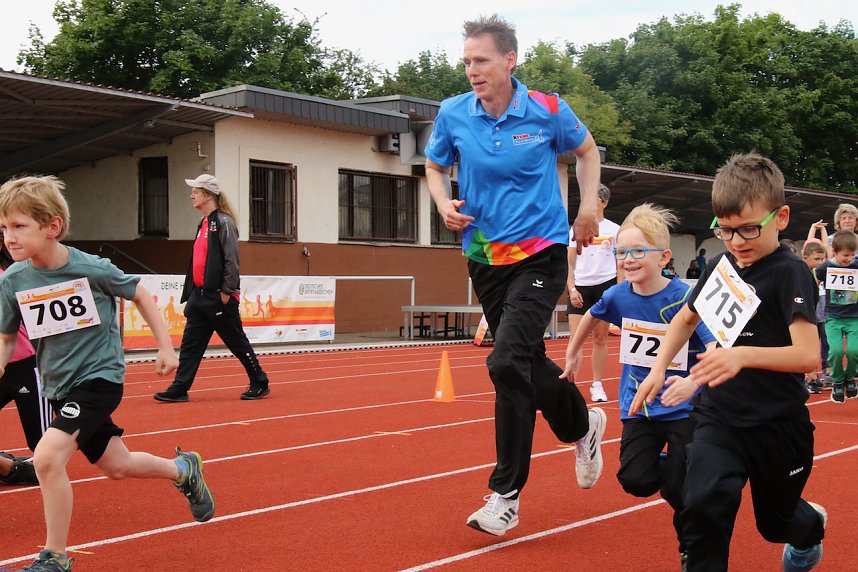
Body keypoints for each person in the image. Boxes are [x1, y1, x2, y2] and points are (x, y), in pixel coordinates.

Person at [424, 14, 606, 537]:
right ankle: (582, 425)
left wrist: (588, 204)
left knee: (505, 361)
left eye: (481, 61)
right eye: (465, 62)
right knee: (525, 360)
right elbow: (435, 166)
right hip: (483, 255)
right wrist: (442, 203)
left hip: (541, 253)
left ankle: (505, 495)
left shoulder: (548, 110)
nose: (471, 71)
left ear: (509, 60)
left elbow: (588, 150)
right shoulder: (454, 113)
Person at [0, 176, 214, 572]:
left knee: (46, 458)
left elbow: (141, 294)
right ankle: (183, 470)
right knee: (118, 466)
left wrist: (166, 348)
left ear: (52, 227)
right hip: (58, 386)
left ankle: (55, 558)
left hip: (100, 379)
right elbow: (7, 336)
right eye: (4, 228)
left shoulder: (90, 268)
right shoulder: (14, 280)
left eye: (19, 226)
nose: (9, 237)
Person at [629, 153, 826, 571]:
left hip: (778, 425)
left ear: (782, 217)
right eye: (726, 231)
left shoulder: (791, 274)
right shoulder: (721, 266)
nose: (737, 242)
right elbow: (685, 319)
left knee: (776, 524)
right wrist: (660, 368)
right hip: (720, 418)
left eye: (749, 229)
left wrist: (740, 356)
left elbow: (808, 355)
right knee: (701, 505)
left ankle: (808, 529)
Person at [561, 204, 715, 568]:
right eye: (621, 252)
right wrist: (572, 353)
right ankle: (674, 465)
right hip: (638, 406)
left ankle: (690, 544)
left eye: (636, 252)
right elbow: (590, 315)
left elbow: (712, 343)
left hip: (684, 408)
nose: (627, 260)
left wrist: (698, 375)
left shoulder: (684, 299)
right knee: (635, 480)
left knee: (680, 489)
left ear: (663, 257)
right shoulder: (618, 296)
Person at [154, 174, 270, 402]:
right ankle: (180, 387)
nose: (191, 195)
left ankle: (259, 381)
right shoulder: (204, 223)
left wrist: (226, 292)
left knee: (236, 342)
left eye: (195, 191)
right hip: (199, 296)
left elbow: (231, 260)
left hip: (218, 297)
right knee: (190, 345)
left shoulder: (224, 223)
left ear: (207, 195)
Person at [567, 183, 622, 403]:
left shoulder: (614, 230)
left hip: (605, 286)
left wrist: (619, 291)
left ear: (604, 202)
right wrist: (571, 288)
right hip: (580, 286)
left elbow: (620, 263)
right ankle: (570, 384)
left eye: (592, 199)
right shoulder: (575, 229)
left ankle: (597, 385)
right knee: (575, 340)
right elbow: (569, 263)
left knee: (600, 338)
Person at [0, 242, 48, 486]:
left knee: (43, 446)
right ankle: (9, 467)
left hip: (25, 367)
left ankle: (21, 469)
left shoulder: (10, 279)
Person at [813, 230, 858, 404]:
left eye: (852, 255)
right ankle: (838, 380)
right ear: (834, 251)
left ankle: (850, 377)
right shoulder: (826, 268)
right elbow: (813, 282)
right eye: (845, 255)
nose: (849, 259)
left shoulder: (856, 264)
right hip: (833, 317)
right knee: (836, 351)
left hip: (854, 317)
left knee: (854, 351)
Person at [801, 240, 829, 393]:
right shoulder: (802, 273)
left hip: (823, 314)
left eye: (822, 259)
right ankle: (810, 378)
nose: (820, 262)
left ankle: (819, 375)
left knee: (825, 345)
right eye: (816, 259)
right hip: (808, 315)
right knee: (810, 346)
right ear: (805, 258)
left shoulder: (825, 271)